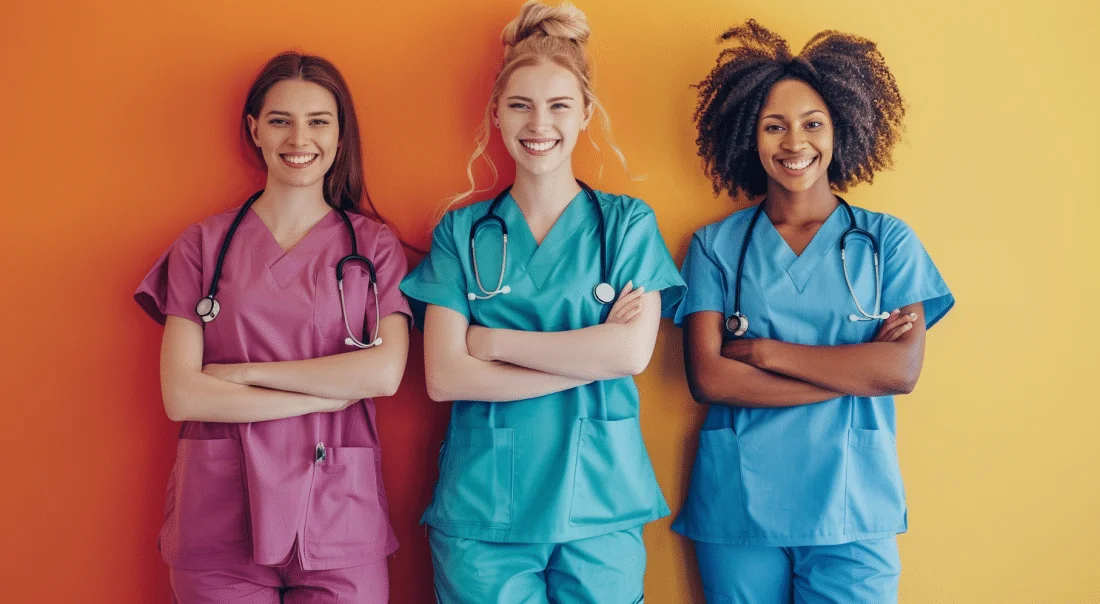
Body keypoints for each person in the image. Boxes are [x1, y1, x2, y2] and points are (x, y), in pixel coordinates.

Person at [398, 2, 685, 602]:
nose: (539, 124)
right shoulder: (461, 232)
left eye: (558, 106)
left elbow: (630, 354)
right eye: (520, 105)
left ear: (585, 115)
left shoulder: (626, 224)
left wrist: (494, 343)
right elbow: (446, 376)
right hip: (485, 510)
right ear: (496, 116)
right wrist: (587, 357)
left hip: (600, 505)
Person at [672, 20, 954, 604]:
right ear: (749, 138)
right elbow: (710, 377)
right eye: (773, 126)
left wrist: (771, 354)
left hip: (853, 509)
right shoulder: (714, 247)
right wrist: (854, 371)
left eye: (812, 124)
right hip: (740, 510)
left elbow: (900, 373)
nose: (794, 143)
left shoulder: (887, 243)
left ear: (841, 129)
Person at [134, 52, 410, 603]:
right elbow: (182, 394)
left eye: (318, 121)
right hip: (219, 517)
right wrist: (327, 396)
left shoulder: (373, 246)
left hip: (338, 516)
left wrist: (243, 376)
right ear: (254, 129)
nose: (298, 137)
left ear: (339, 135)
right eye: (280, 120)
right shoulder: (202, 247)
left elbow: (383, 374)